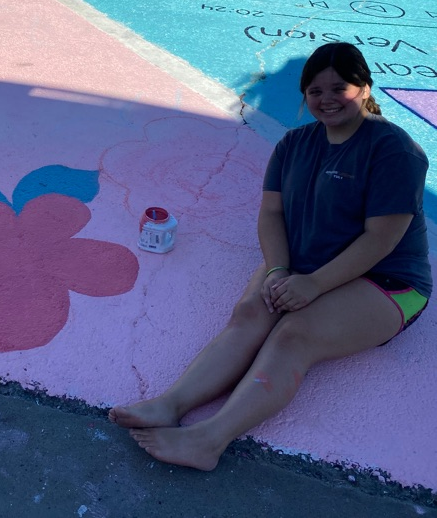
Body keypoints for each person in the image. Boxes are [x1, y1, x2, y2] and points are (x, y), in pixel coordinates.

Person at [109, 42, 431, 471]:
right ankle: (170, 405)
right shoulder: (295, 144)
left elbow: (381, 240)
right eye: (315, 91)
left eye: (341, 87)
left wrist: (312, 284)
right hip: (302, 264)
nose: (327, 99)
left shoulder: (394, 150)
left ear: (366, 87)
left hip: (387, 279)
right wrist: (279, 271)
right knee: (249, 314)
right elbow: (272, 213)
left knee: (293, 334)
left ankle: (208, 440)